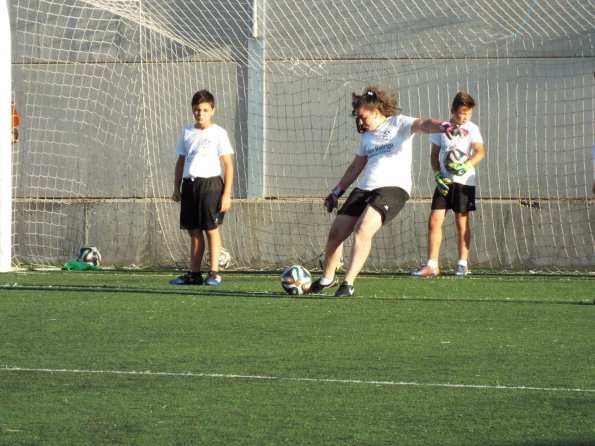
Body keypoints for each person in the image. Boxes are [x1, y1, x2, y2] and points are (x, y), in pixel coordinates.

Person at [309, 85, 466, 297]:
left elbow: (424, 124)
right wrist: (336, 191)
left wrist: (444, 126)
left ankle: (348, 283)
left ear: (376, 112)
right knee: (336, 232)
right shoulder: (366, 138)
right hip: (364, 189)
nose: (360, 122)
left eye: (363, 117)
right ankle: (326, 279)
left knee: (363, 229)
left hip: (393, 188)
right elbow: (355, 167)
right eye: (358, 117)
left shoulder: (399, 123)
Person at [411, 92, 484, 277]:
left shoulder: (473, 128)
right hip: (444, 182)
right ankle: (432, 265)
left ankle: (462, 264)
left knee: (461, 221)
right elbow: (434, 155)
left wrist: (466, 165)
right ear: (452, 110)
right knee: (434, 220)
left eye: (468, 113)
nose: (465, 117)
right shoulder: (441, 129)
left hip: (463, 183)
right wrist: (437, 175)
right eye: (461, 113)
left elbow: (480, 152)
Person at [170, 90, 234, 286]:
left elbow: (228, 165)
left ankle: (214, 273)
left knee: (210, 229)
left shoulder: (219, 133)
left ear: (212, 110)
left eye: (205, 110)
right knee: (194, 231)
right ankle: (194, 274)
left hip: (210, 186)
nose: (201, 113)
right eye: (197, 110)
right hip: (190, 185)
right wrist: (176, 187)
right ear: (192, 111)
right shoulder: (187, 132)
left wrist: (226, 195)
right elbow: (181, 161)